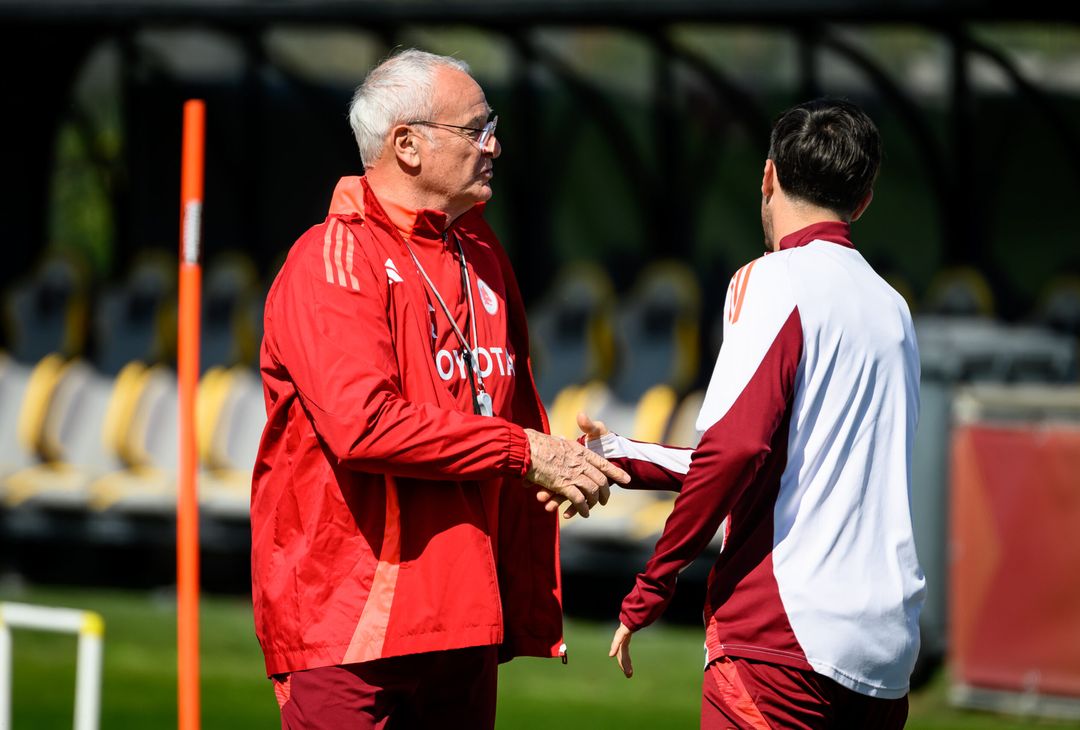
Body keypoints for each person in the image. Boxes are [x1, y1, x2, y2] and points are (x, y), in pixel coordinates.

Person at [250, 48, 629, 729]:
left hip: (467, 615)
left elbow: (497, 418)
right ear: (407, 145)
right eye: (478, 129)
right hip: (355, 617)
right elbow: (364, 425)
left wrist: (570, 458)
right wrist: (523, 452)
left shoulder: (481, 252)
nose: (496, 146)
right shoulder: (332, 257)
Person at [573, 98, 926, 728]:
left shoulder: (770, 278)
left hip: (782, 635)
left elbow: (734, 451)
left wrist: (654, 582)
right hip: (887, 651)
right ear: (865, 200)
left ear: (767, 177)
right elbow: (778, 461)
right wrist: (618, 454)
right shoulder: (894, 310)